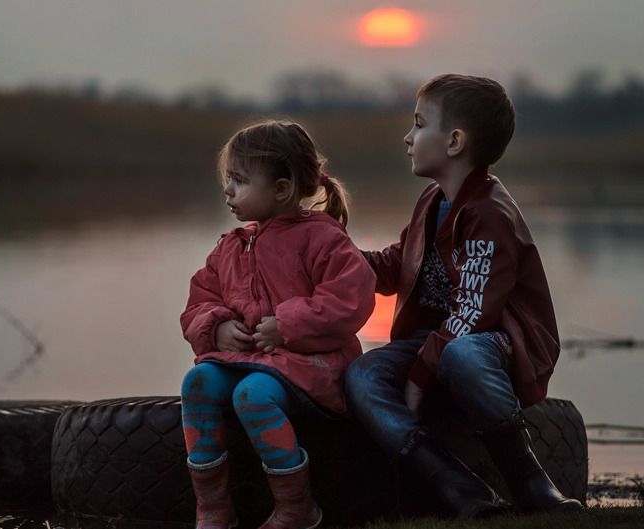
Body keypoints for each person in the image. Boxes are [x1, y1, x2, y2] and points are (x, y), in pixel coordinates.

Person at [345, 74, 584, 518]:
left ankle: (529, 479)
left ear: (454, 141)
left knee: (463, 355)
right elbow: (397, 265)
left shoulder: (489, 213)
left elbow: (473, 314)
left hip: (496, 345)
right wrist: (330, 248)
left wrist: (418, 377)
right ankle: (451, 483)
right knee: (363, 375)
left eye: (419, 125)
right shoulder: (432, 201)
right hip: (436, 341)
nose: (408, 137)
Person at [180, 120, 376, 529]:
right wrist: (216, 328)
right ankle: (213, 507)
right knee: (196, 383)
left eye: (239, 180)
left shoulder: (323, 239)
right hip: (248, 357)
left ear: (282, 188)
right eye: (228, 179)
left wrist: (286, 325)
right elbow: (200, 300)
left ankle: (297, 509)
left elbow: (351, 298)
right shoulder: (230, 247)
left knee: (252, 395)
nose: (227, 190)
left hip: (312, 364)